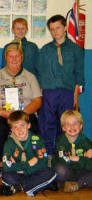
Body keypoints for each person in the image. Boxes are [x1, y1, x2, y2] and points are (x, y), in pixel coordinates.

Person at [0, 44, 42, 162]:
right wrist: (1, 112)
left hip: (25, 112)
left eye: (17, 56)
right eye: (11, 56)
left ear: (22, 57)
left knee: (33, 125)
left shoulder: (30, 77)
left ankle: (30, 159)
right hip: (2, 114)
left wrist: (22, 113)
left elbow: (37, 100)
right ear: (6, 58)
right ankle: (0, 161)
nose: (14, 59)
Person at [37, 15, 84, 155]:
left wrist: (75, 96)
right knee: (47, 125)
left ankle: (62, 154)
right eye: (52, 29)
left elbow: (79, 74)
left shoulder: (75, 49)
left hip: (67, 92)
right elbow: (40, 72)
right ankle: (49, 155)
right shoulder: (45, 50)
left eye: (58, 28)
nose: (55, 32)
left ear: (65, 28)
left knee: (65, 124)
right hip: (49, 92)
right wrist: (40, 94)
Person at [0, 111, 57, 196]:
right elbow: (7, 166)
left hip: (34, 172)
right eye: (15, 127)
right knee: (6, 176)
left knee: (50, 172)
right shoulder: (9, 143)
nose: (19, 130)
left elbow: (43, 162)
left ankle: (18, 188)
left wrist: (23, 169)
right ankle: (35, 186)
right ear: (11, 129)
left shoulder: (37, 140)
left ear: (28, 125)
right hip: (20, 174)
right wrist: (28, 164)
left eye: (22, 125)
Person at [52, 110, 92, 192]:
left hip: (83, 171)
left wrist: (78, 159)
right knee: (59, 169)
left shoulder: (86, 141)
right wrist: (83, 158)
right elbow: (63, 161)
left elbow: (90, 164)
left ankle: (76, 184)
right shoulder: (61, 141)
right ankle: (74, 183)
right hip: (68, 171)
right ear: (63, 128)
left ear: (81, 126)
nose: (72, 127)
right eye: (68, 124)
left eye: (75, 123)